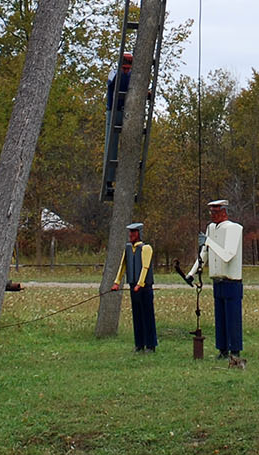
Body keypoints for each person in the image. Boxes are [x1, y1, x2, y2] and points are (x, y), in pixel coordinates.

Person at [184, 200, 244, 359]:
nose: (213, 216)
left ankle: (235, 349)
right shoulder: (211, 228)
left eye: (216, 213)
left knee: (233, 317)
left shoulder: (234, 229)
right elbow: (204, 253)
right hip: (217, 280)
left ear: (224, 212)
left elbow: (227, 255)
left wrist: (209, 242)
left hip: (232, 280)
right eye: (211, 213)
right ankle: (222, 349)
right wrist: (192, 273)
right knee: (220, 318)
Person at [111, 222, 157, 352]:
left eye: (134, 232)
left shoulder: (146, 248)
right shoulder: (128, 249)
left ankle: (150, 344)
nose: (131, 235)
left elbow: (145, 267)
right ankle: (139, 344)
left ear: (139, 233)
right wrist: (117, 282)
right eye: (130, 232)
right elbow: (123, 266)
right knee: (137, 315)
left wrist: (140, 283)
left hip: (144, 287)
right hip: (133, 286)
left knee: (147, 315)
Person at [100, 53, 135, 201]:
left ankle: (127, 181)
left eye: (128, 68)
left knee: (130, 145)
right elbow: (111, 83)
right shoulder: (113, 73)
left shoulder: (134, 75)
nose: (126, 71)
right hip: (113, 111)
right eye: (124, 67)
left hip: (128, 112)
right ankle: (108, 182)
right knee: (111, 145)